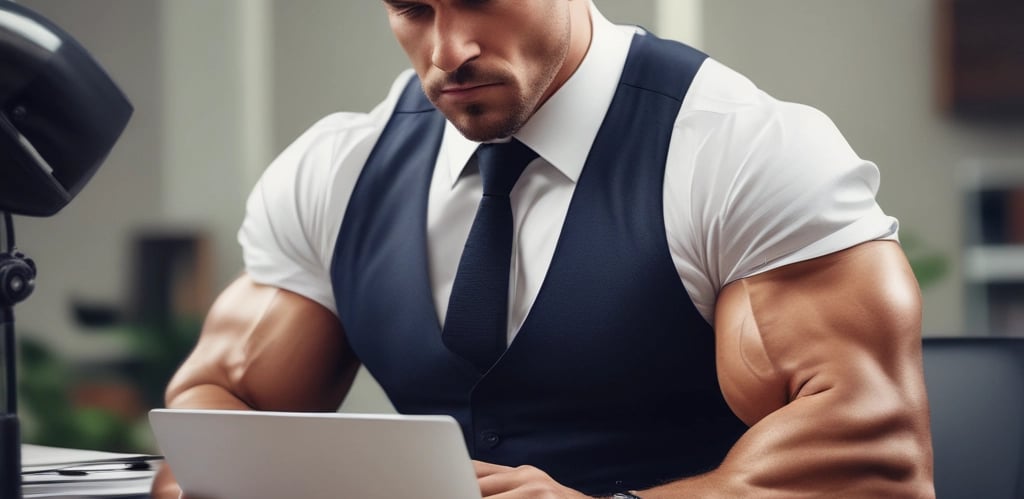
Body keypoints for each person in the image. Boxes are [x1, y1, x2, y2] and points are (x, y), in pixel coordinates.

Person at [152, 0, 935, 497]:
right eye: (412, 9)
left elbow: (873, 458)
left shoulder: (741, 151)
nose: (446, 50)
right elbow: (216, 417)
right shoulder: (336, 171)